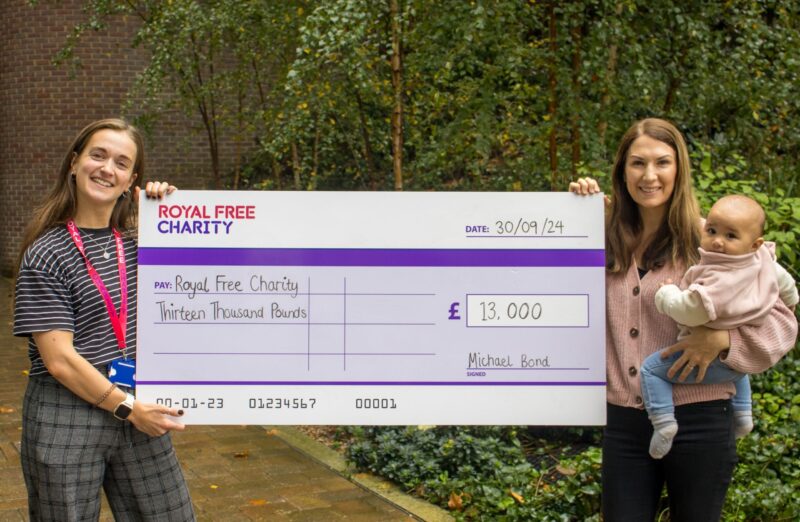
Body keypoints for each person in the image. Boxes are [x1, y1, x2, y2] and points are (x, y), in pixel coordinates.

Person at [569, 118, 797, 521]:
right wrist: (575, 211)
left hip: (701, 420)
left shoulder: (715, 241)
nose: (649, 175)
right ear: (622, 171)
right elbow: (543, 276)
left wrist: (724, 341)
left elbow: (782, 323)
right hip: (624, 423)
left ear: (679, 170)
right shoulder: (602, 238)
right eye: (637, 163)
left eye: (662, 162)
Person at [13, 119, 195, 521]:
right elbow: (59, 361)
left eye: (121, 162)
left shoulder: (140, 242)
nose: (107, 168)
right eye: (98, 155)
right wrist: (128, 408)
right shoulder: (46, 253)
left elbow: (198, 287)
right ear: (74, 163)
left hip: (137, 404)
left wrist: (167, 217)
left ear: (132, 179)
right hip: (67, 412)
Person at [642, 194, 799, 459]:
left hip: (711, 360)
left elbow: (691, 311)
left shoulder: (722, 277)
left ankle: (664, 422)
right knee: (738, 371)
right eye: (712, 231)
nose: (717, 241)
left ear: (755, 243)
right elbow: (786, 283)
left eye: (730, 236)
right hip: (738, 362)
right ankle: (743, 413)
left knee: (651, 370)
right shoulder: (762, 260)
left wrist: (666, 294)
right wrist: (792, 301)